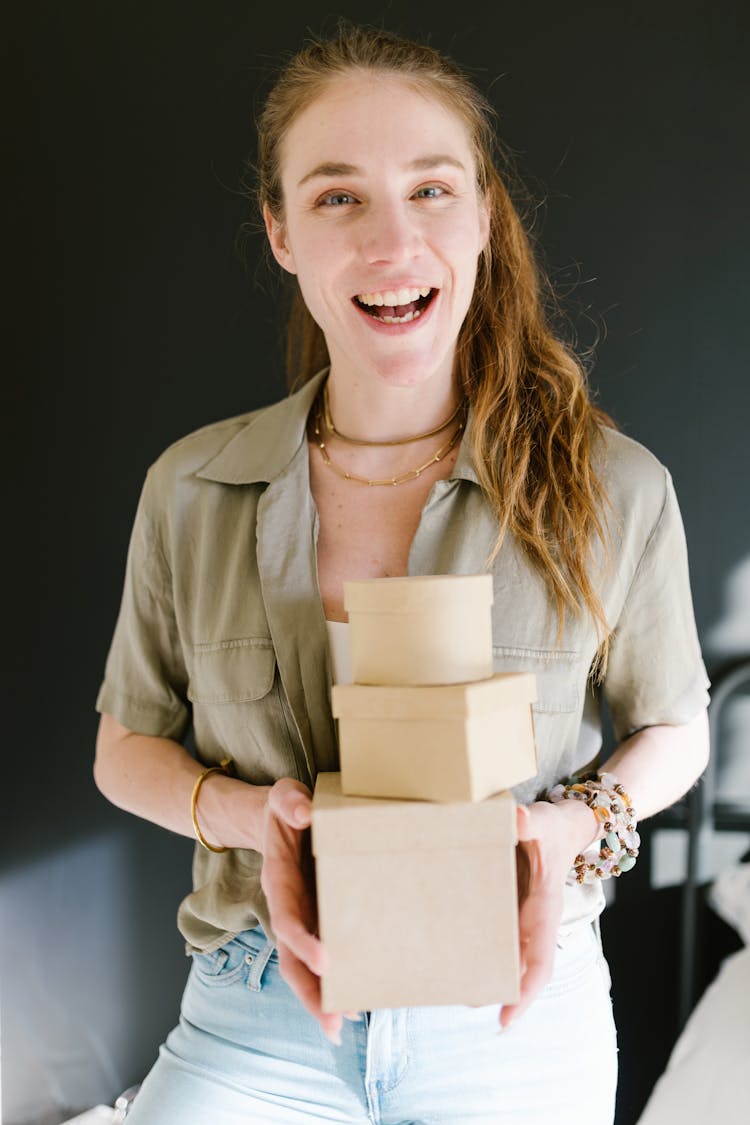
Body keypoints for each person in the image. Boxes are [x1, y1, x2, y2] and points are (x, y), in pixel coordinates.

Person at [93, 23, 710, 1125]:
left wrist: (568, 827)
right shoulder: (189, 487)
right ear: (281, 232)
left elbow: (676, 729)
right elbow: (124, 750)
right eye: (338, 198)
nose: (391, 241)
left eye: (430, 190)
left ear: (481, 216)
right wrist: (251, 816)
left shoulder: (616, 487)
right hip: (256, 1009)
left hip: (517, 1022)